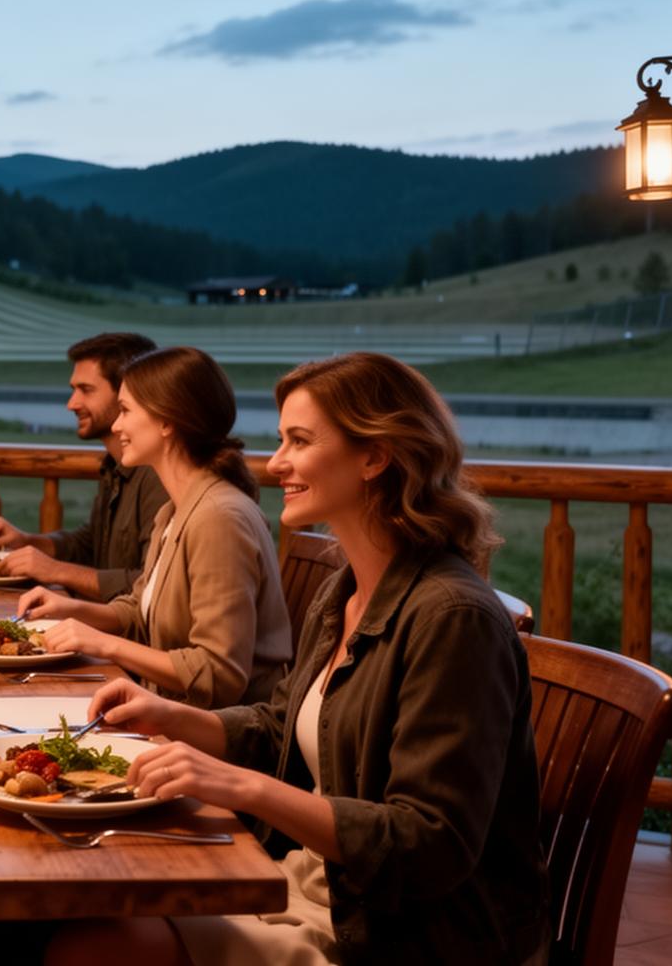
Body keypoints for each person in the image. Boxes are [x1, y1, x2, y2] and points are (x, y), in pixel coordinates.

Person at [64, 352, 548, 965]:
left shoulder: (453, 617)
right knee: (80, 896)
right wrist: (166, 714)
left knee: (92, 945)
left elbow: (431, 845)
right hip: (315, 887)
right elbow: (280, 726)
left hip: (396, 934)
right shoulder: (344, 592)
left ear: (374, 457)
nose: (275, 463)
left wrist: (244, 786)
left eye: (299, 441)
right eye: (280, 440)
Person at [16, 346, 292, 707]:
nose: (117, 425)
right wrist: (69, 610)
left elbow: (218, 674)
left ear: (167, 421)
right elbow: (139, 609)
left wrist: (103, 643)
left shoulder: (218, 519)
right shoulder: (175, 510)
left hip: (218, 732)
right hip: (171, 713)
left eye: (126, 410)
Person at [0, 332, 167, 601]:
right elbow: (91, 544)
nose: (71, 404)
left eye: (86, 390)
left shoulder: (158, 474)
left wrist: (55, 571)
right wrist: (27, 542)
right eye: (73, 389)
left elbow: (151, 586)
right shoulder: (115, 464)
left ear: (129, 391)